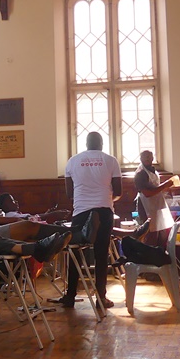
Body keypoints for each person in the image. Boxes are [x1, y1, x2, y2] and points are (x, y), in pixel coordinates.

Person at [57, 132, 121, 309]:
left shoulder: (72, 161)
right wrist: (105, 198)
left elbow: (70, 193)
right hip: (104, 211)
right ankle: (101, 297)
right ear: (101, 143)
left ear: (86, 144)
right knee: (101, 254)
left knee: (75, 253)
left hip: (80, 212)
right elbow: (119, 191)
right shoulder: (111, 160)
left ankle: (70, 296)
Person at [132, 150, 176, 248]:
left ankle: (159, 255)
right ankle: (150, 257)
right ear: (140, 159)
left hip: (157, 204)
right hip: (146, 206)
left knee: (161, 232)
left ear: (153, 158)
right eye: (144, 156)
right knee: (150, 233)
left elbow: (154, 187)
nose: (147, 158)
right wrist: (165, 185)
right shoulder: (140, 173)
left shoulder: (153, 170)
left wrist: (166, 188)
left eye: (149, 156)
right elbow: (147, 193)